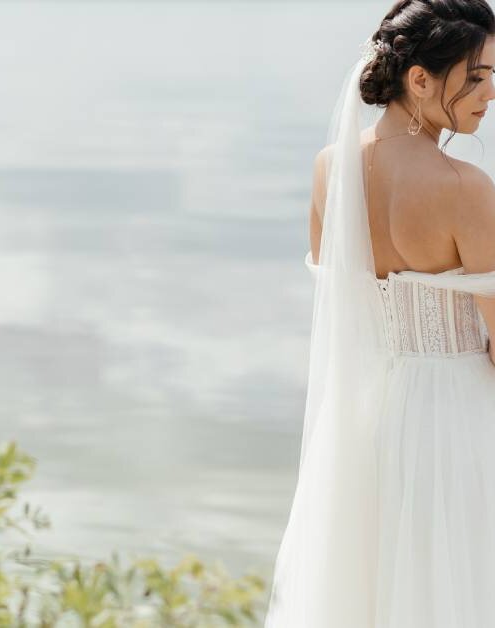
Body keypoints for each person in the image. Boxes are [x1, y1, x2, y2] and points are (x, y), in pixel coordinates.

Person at [265, 1, 495, 626]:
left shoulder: (329, 170)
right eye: (474, 77)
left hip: (363, 421)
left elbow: (341, 309)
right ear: (419, 79)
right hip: (457, 422)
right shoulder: (465, 188)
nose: (490, 94)